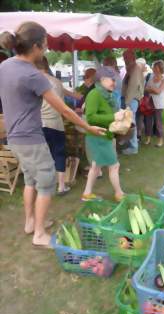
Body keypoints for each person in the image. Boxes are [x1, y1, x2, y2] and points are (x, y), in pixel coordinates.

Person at [0, 22, 105, 248]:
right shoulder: (33, 75)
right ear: (36, 46)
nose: (47, 50)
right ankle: (39, 234)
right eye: (45, 45)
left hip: (15, 138)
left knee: (30, 179)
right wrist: (89, 128)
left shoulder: (6, 65)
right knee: (46, 182)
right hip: (30, 138)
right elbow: (65, 109)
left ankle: (30, 223)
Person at [36, 56, 82, 195]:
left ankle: (43, 187)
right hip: (56, 124)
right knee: (59, 154)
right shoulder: (56, 81)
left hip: (39, 125)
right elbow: (75, 97)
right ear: (46, 65)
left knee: (43, 156)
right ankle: (61, 186)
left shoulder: (34, 82)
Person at [81, 66, 125, 202]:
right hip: (97, 137)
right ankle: (119, 194)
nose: (114, 82)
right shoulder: (94, 94)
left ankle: (87, 194)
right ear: (102, 80)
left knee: (95, 166)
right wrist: (113, 117)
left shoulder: (107, 94)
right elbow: (90, 117)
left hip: (104, 136)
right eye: (111, 80)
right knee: (114, 165)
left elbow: (107, 113)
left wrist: (121, 116)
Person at [121, 50, 145, 155]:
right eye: (124, 57)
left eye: (126, 57)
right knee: (128, 122)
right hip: (130, 99)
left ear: (133, 57)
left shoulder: (135, 69)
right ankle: (129, 142)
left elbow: (132, 87)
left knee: (131, 123)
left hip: (131, 100)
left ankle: (133, 147)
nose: (125, 60)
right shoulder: (131, 68)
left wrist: (126, 103)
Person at [144, 60, 164, 147]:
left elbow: (159, 91)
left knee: (158, 123)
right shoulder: (150, 76)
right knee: (148, 122)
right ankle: (148, 139)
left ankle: (160, 140)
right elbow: (146, 88)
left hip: (159, 103)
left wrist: (151, 89)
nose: (153, 68)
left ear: (160, 68)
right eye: (153, 67)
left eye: (155, 67)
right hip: (149, 102)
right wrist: (152, 89)